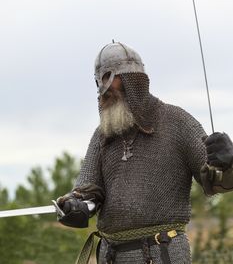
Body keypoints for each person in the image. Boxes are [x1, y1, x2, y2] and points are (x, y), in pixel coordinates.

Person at [57, 41, 233, 264]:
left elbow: (216, 182)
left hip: (163, 253)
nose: (103, 88)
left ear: (133, 79)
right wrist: (77, 205)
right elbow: (88, 191)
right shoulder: (103, 135)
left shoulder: (177, 122)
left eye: (109, 77)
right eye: (99, 80)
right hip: (111, 256)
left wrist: (228, 163)